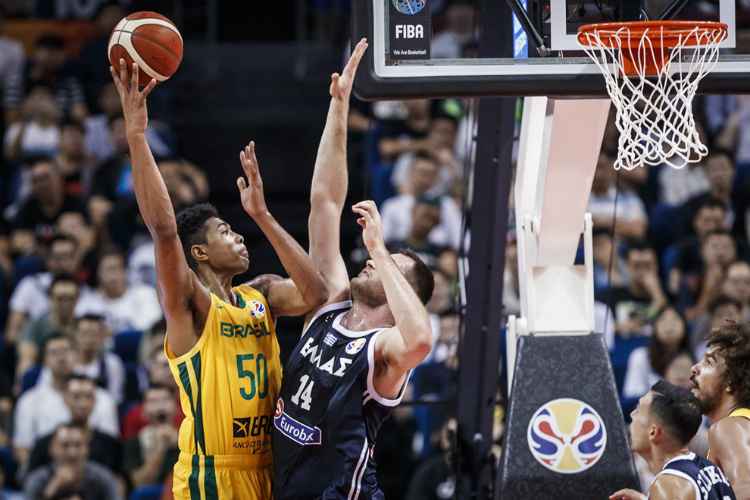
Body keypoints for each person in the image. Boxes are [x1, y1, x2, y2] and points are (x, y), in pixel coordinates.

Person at [110, 59, 328, 499]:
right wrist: (137, 137)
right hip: (212, 476)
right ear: (200, 252)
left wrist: (263, 216)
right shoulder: (190, 303)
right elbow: (165, 229)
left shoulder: (260, 292)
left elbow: (315, 292)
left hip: (267, 468)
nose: (238, 237)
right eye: (225, 232)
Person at [273, 39, 435, 499]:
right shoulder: (328, 305)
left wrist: (383, 251)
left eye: (388, 272)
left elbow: (420, 340)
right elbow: (324, 204)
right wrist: (339, 108)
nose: (369, 264)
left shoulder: (384, 349)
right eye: (374, 261)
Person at [609, 381, 735, 500]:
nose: (631, 415)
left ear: (653, 432)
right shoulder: (709, 468)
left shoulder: (669, 486)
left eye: (637, 410)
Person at [690, 322, 750, 497]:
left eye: (708, 362)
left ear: (731, 380)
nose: (694, 368)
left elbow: (746, 492)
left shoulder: (729, 428)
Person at [26, 375, 123, 477]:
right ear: (65, 398)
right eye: (76, 396)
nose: (83, 403)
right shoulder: (44, 444)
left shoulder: (111, 445)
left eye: (88, 396)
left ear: (95, 400)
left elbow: (119, 484)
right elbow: (31, 483)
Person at [23, 423, 122, 500]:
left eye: (78, 445)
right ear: (52, 449)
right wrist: (51, 490)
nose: (72, 453)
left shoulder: (103, 477)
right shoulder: (37, 480)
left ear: (87, 449)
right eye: (65, 445)